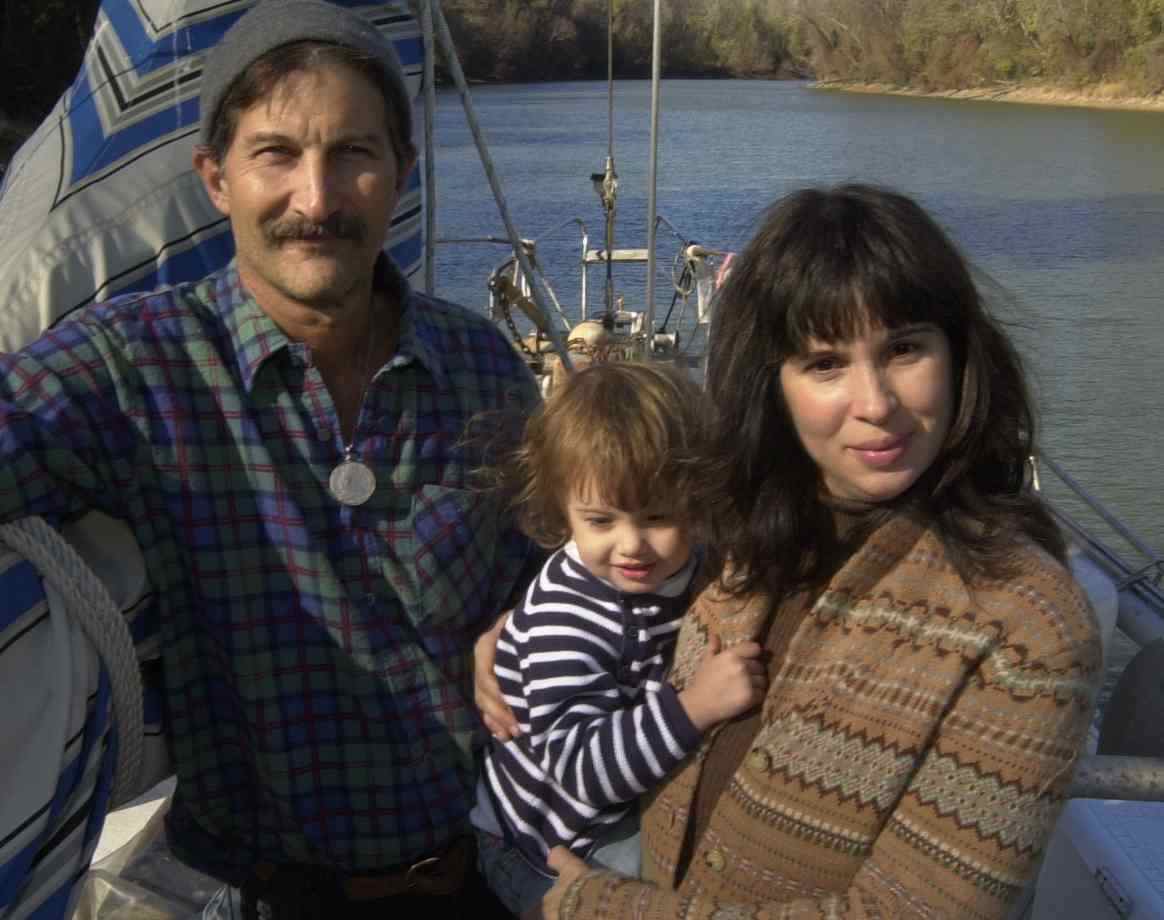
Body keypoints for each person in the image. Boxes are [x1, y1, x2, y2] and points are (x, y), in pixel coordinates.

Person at [0, 1, 539, 917]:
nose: (316, 200)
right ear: (216, 178)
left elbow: (570, 568)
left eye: (353, 154)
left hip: (476, 883)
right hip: (255, 897)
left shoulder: (483, 368)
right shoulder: (142, 363)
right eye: (276, 155)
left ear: (402, 172)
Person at [478, 184, 1104, 919]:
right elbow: (606, 610)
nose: (875, 403)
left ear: (960, 354)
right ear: (772, 382)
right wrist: (509, 638)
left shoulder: (1026, 628)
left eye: (904, 349)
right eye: (825, 363)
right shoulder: (740, 532)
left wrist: (606, 909)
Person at [469, 362, 766, 917]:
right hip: (545, 845)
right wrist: (696, 707)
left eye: (657, 517)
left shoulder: (690, 560)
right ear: (564, 510)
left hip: (596, 810)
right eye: (601, 521)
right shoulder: (567, 619)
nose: (632, 545)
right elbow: (583, 770)